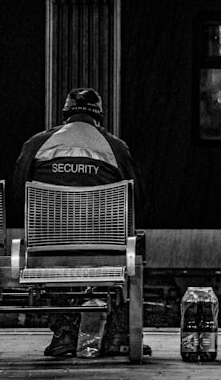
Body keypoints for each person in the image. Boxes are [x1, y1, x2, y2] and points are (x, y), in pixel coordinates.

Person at [13, 87, 146, 357]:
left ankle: (64, 333)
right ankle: (116, 335)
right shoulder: (114, 147)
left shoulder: (37, 144)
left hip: (48, 247)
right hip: (105, 247)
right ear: (99, 118)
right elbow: (136, 196)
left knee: (59, 261)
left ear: (65, 115)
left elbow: (19, 190)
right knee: (132, 251)